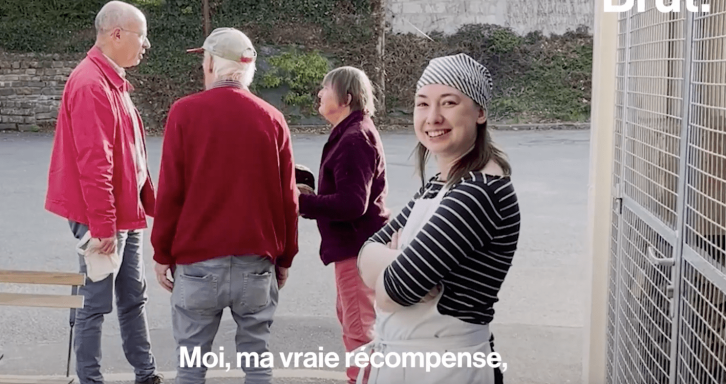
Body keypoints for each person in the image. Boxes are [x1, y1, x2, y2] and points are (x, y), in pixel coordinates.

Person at [357, 53, 520, 383]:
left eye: (448, 103)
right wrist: (401, 260)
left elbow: (394, 292)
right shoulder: (440, 183)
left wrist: (393, 268)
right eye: (422, 104)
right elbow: (365, 255)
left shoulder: (480, 192)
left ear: (480, 113)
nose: (433, 117)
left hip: (447, 369)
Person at [150, 27, 299, 384]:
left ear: (212, 64)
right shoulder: (272, 118)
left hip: (198, 262)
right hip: (256, 262)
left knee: (190, 364)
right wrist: (285, 257)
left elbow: (171, 191)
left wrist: (161, 253)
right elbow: (288, 199)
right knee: (257, 359)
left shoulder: (184, 113)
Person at [44, 0, 162, 384]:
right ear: (116, 35)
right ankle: (92, 379)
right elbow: (95, 161)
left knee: (132, 298)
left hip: (119, 214)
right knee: (97, 304)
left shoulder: (108, 79)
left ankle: (146, 374)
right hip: (106, 217)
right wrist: (104, 225)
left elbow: (131, 152)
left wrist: (149, 205)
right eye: (141, 36)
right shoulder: (92, 83)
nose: (145, 45)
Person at [296, 66, 389, 384]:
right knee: (356, 324)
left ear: (346, 97)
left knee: (359, 330)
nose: (319, 94)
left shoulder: (354, 138)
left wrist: (302, 202)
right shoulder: (352, 132)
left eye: (325, 88)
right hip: (359, 248)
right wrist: (312, 197)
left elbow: (352, 204)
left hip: (357, 250)